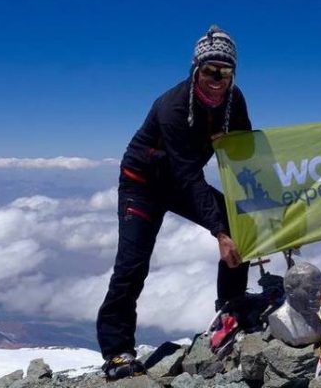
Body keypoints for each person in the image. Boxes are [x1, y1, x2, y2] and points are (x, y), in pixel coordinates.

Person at [97, 25, 252, 379]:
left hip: (180, 181)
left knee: (238, 221)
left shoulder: (234, 101)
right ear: (195, 69)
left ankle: (230, 307)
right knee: (132, 265)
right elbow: (188, 175)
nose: (217, 78)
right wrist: (218, 232)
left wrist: (263, 204)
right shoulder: (173, 106)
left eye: (224, 71)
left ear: (233, 73)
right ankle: (117, 352)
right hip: (142, 185)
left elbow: (245, 153)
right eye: (209, 70)